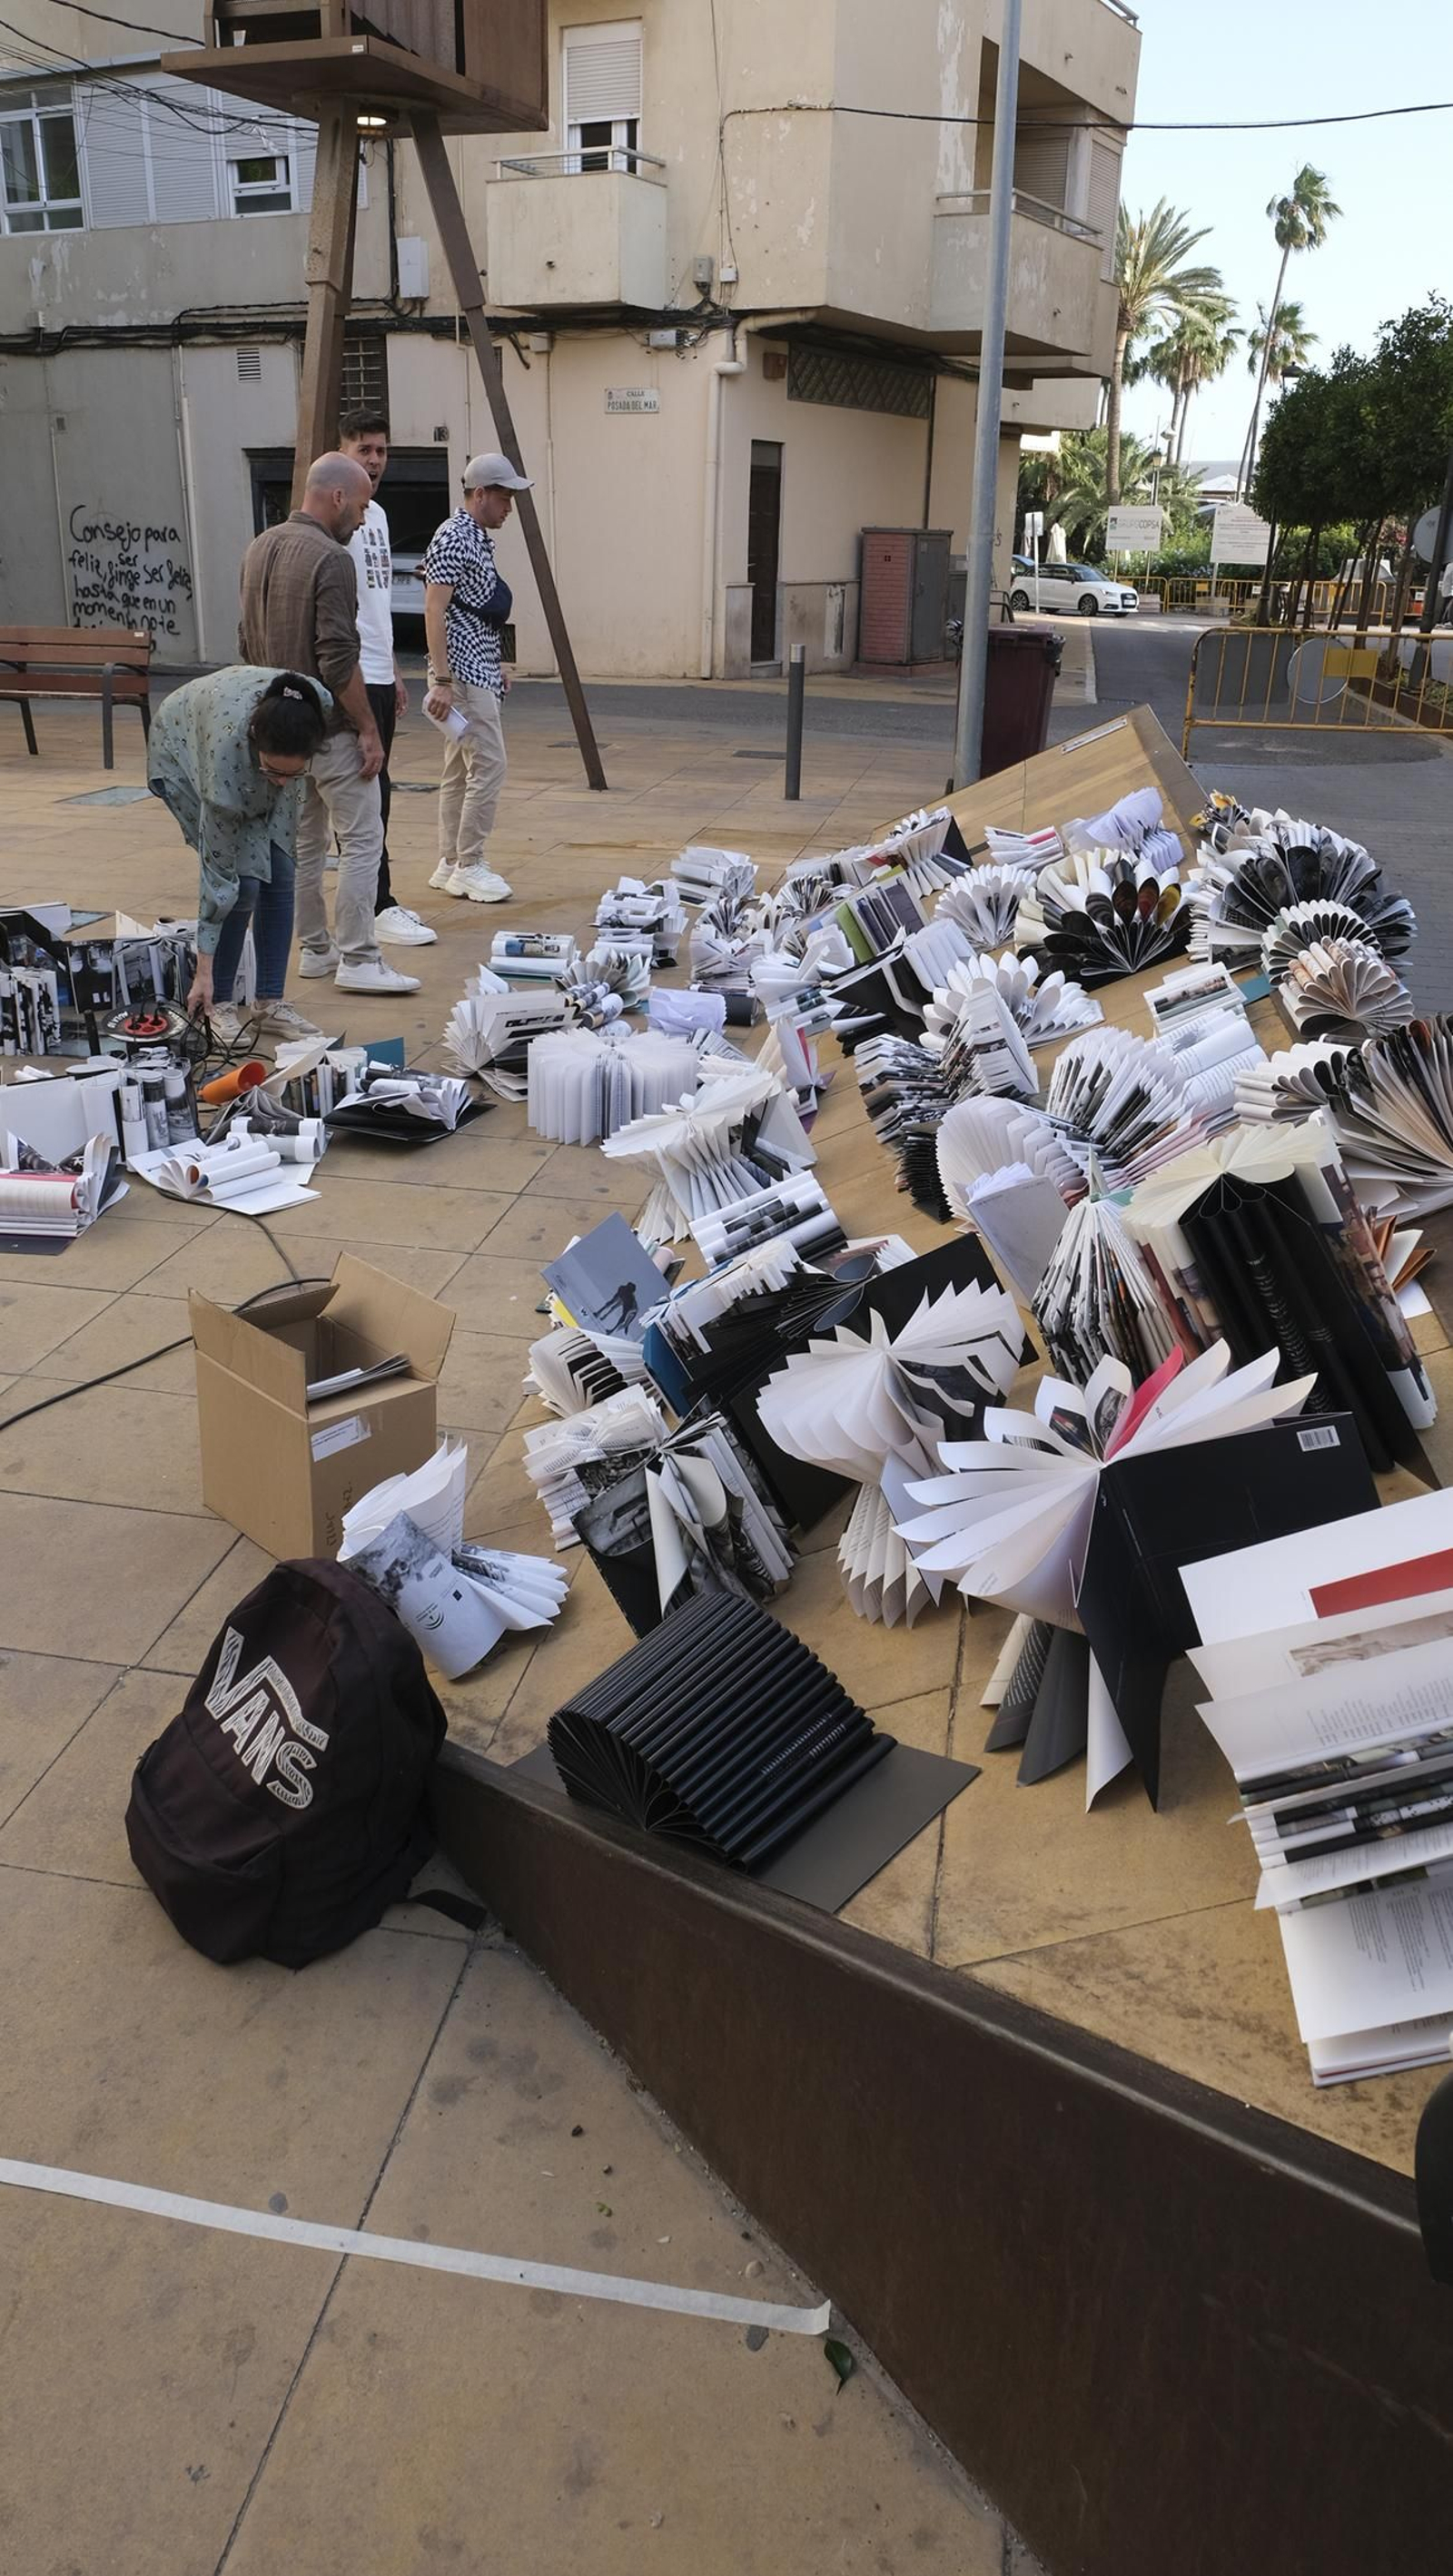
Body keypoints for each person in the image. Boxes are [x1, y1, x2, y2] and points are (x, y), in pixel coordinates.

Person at [239, 452, 420, 998]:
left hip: (281, 732)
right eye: (362, 506)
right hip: (329, 727)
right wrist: (368, 728)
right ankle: (360, 956)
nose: (364, 519)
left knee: (303, 844)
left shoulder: (259, 547)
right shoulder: (333, 558)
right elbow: (338, 658)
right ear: (337, 496)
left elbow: (245, 641)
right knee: (363, 838)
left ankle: (316, 950)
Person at [147, 666, 329, 1043]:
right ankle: (221, 1004)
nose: (280, 782)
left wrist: (281, 774)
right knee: (243, 883)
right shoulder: (225, 763)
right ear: (254, 741)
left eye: (291, 774)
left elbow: (282, 771)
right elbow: (218, 878)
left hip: (240, 729)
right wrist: (204, 973)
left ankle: (269, 1003)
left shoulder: (316, 703)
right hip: (183, 741)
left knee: (280, 870)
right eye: (272, 771)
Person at [338, 407, 435, 952]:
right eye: (363, 450)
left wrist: (395, 669)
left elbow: (374, 606)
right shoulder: (338, 515)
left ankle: (377, 900)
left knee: (379, 794)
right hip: (348, 675)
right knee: (364, 796)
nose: (374, 461)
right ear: (342, 454)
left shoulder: (378, 517)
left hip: (378, 671)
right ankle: (374, 906)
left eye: (381, 451)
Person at [421, 450, 532, 903]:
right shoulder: (454, 537)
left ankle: (450, 861)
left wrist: (497, 662)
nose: (509, 506)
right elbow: (434, 607)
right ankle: (469, 863)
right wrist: (443, 680)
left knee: (459, 770)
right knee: (489, 765)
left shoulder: (475, 536)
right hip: (463, 674)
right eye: (504, 497)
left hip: (474, 669)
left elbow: (473, 609)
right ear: (480, 493)